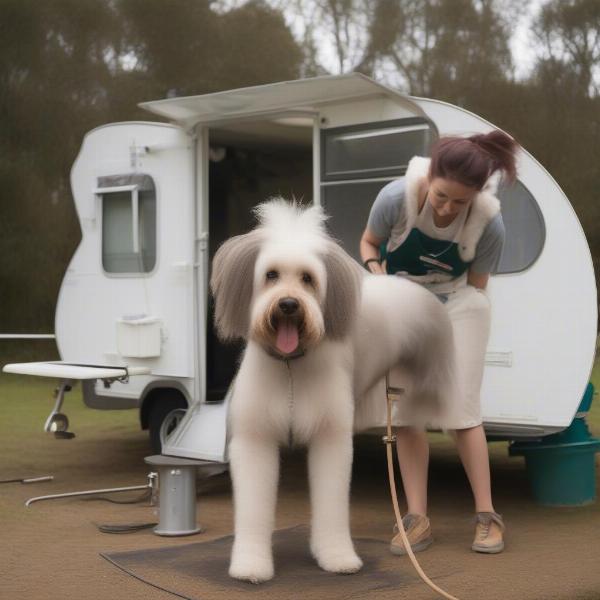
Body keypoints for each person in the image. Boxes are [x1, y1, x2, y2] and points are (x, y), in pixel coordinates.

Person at [359, 130, 518, 555]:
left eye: (460, 202)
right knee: (408, 411)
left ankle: (487, 517)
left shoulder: (491, 223)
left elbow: (478, 285)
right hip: (403, 299)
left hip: (458, 302)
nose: (448, 208)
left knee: (461, 409)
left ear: (476, 197)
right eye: (442, 196)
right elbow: (368, 243)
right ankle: (417, 518)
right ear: (430, 176)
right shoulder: (395, 198)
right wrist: (379, 279)